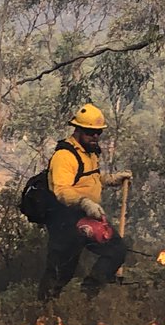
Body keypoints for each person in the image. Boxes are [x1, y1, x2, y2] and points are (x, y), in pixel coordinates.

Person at [38, 103, 133, 301]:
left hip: (87, 217)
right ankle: (41, 316)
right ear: (78, 130)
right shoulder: (64, 156)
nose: (95, 137)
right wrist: (84, 202)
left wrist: (111, 179)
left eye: (98, 132)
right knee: (60, 272)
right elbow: (62, 191)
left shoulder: (90, 153)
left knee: (116, 249)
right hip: (64, 218)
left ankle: (86, 295)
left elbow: (90, 179)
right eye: (90, 132)